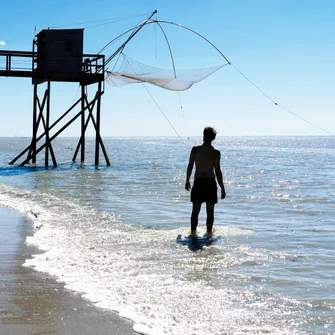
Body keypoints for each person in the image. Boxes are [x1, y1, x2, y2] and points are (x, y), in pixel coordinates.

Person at [185, 127, 226, 237]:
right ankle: (208, 233)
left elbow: (190, 166)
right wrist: (222, 188)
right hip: (210, 183)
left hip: (198, 182)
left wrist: (187, 180)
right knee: (210, 211)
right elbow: (217, 171)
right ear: (213, 138)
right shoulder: (216, 153)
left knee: (195, 211)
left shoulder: (195, 149)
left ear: (203, 136)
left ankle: (193, 233)